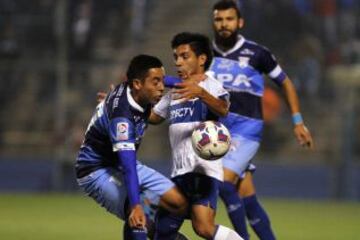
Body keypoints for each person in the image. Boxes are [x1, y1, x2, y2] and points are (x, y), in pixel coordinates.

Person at [208, 1, 314, 239]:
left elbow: (285, 82)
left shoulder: (257, 53)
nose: (224, 24)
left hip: (246, 130)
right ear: (214, 23)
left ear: (240, 22)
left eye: (229, 19)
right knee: (247, 197)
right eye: (219, 19)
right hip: (216, 132)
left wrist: (298, 121)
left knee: (224, 183)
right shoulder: (205, 55)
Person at [75, 54, 190, 240]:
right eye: (156, 82)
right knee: (139, 217)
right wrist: (136, 205)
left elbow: (163, 79)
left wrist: (192, 84)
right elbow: (128, 165)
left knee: (179, 203)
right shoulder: (122, 118)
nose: (162, 87)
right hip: (96, 171)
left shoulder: (137, 92)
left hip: (121, 163)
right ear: (137, 84)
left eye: (162, 81)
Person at [150, 32, 243, 240]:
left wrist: (200, 93)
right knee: (178, 230)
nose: (178, 62)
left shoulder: (211, 85)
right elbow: (154, 117)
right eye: (176, 57)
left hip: (203, 171)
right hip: (180, 172)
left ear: (201, 59)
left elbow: (223, 109)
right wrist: (125, 104)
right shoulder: (174, 92)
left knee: (189, 229)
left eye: (184, 56)